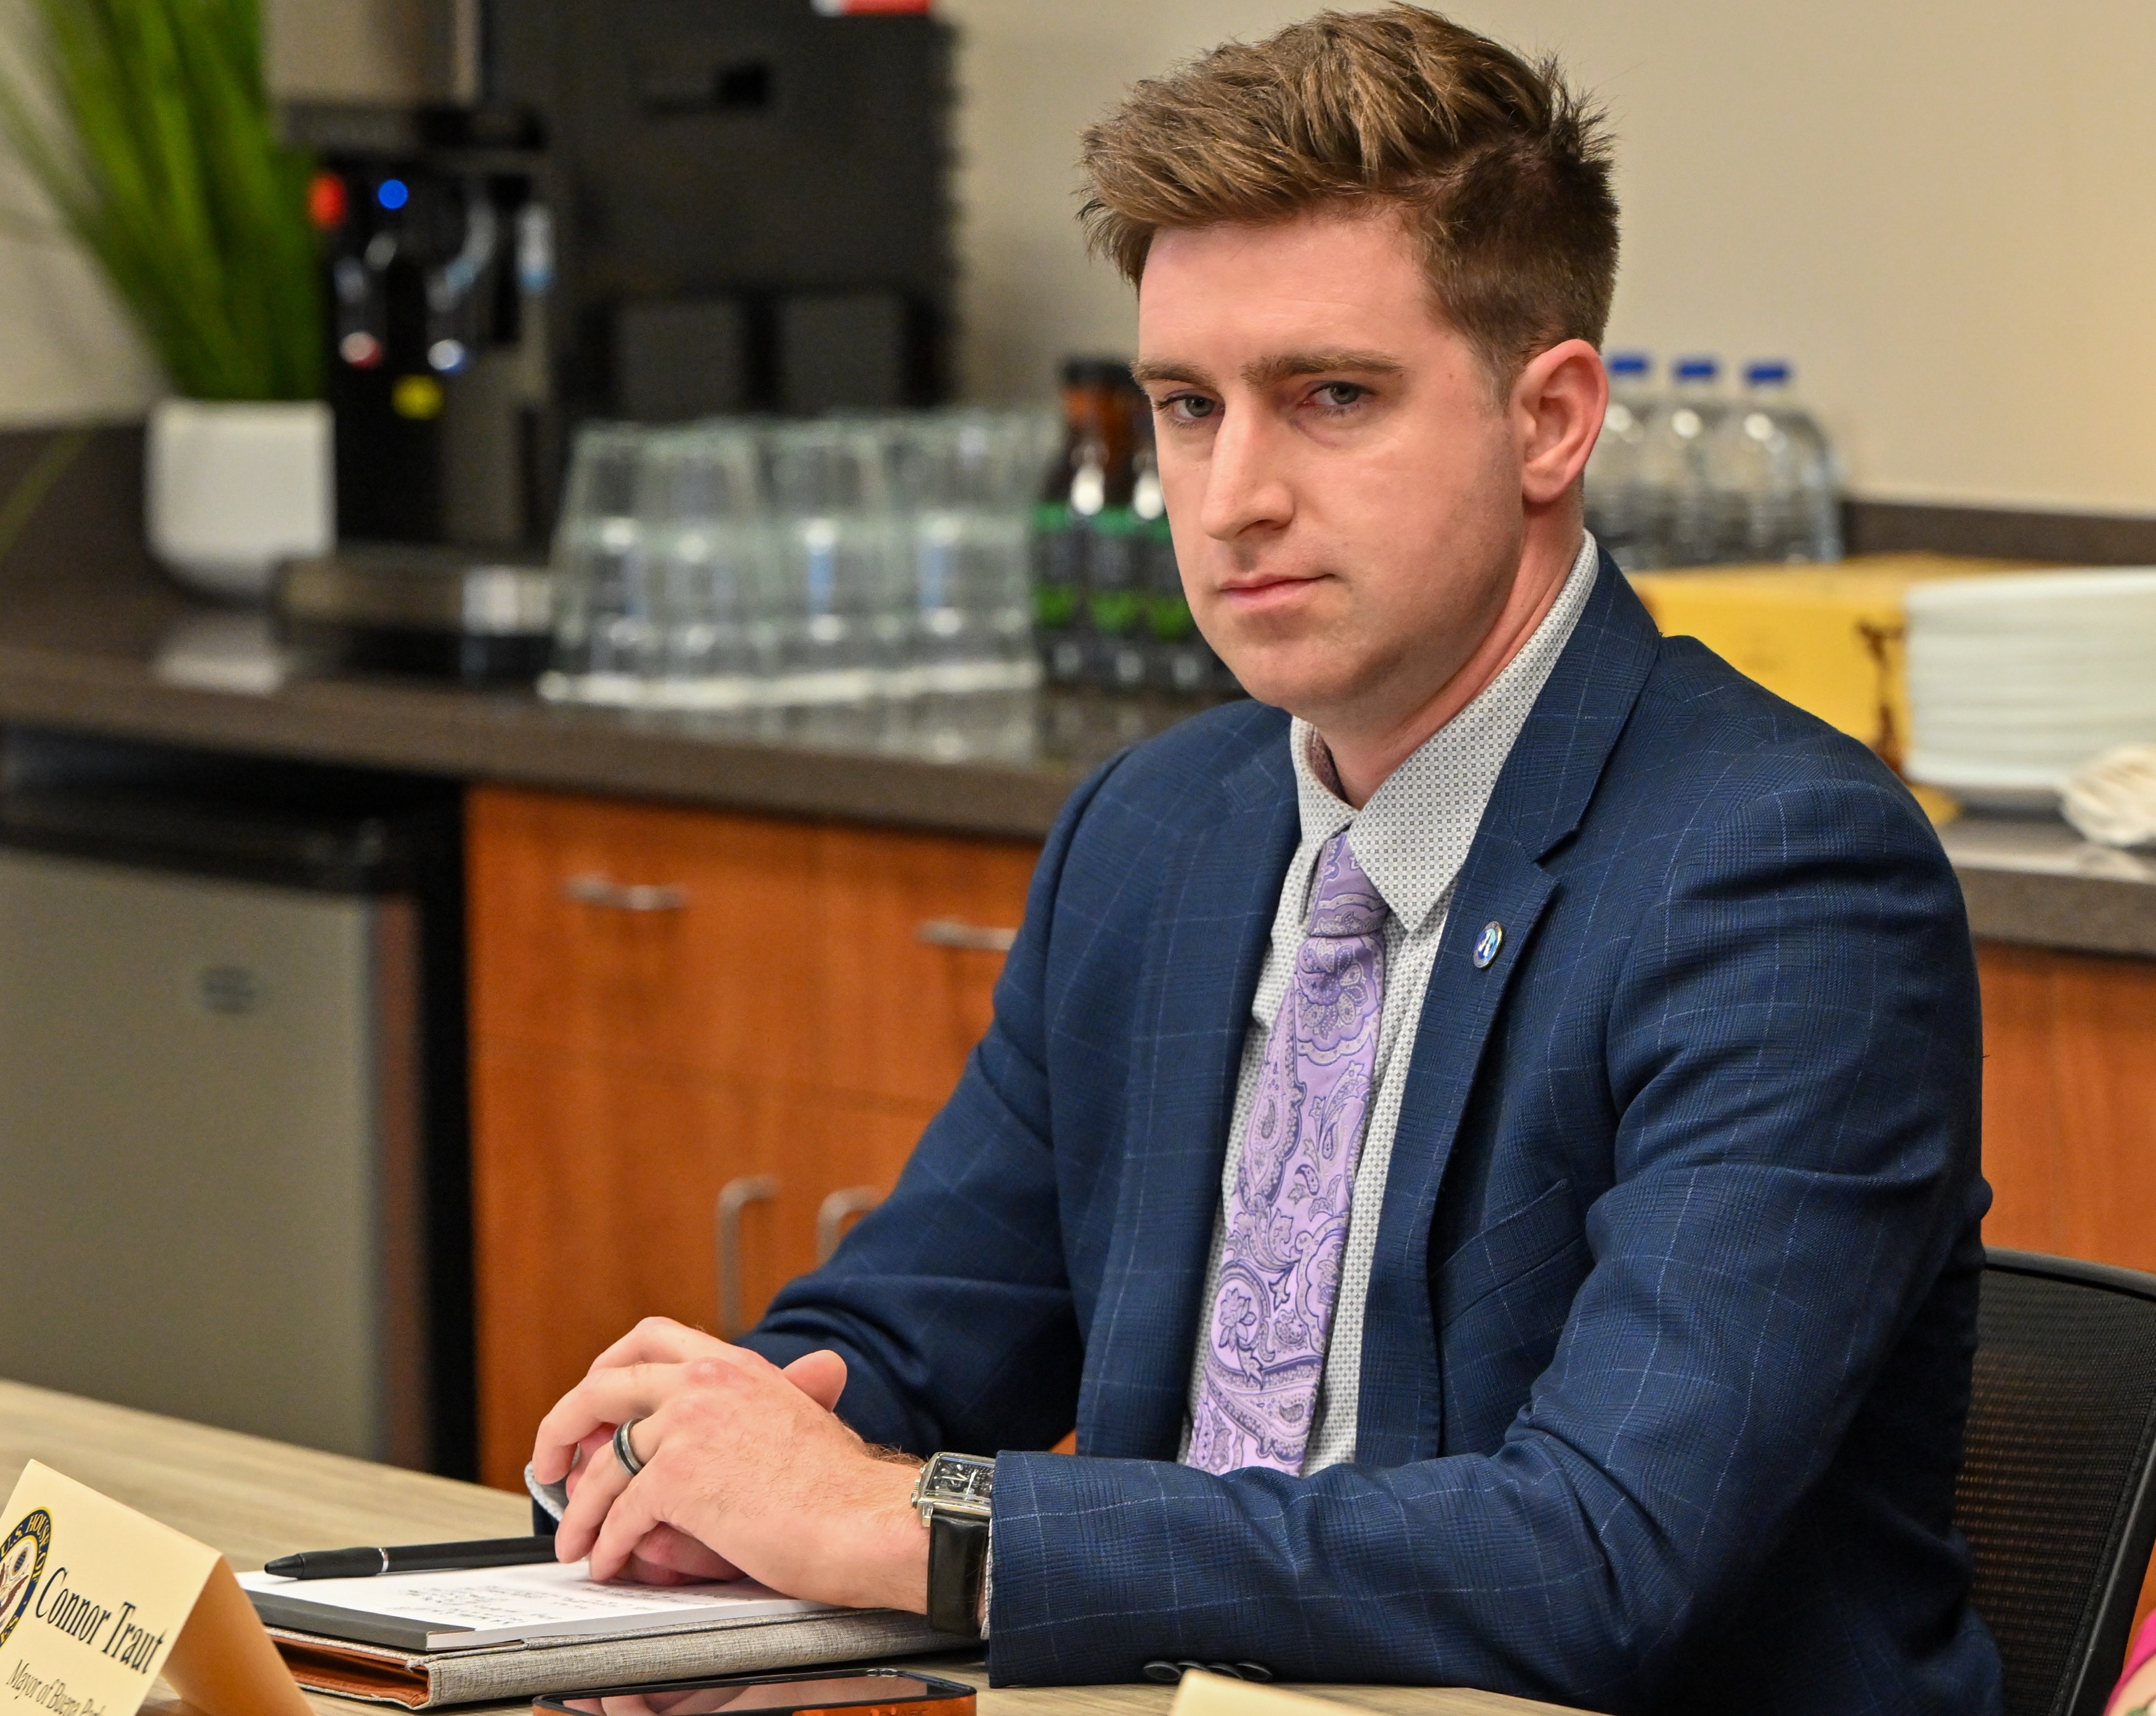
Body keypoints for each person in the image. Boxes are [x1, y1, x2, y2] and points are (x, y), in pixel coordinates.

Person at [530, 9, 2001, 1711]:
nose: (1229, 497)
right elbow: (932, 1324)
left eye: (1327, 399)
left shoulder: (1776, 877)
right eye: (1181, 406)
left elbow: (1595, 1557)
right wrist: (741, 1437)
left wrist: (914, 1527)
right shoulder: (1157, 828)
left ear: (1550, 420)